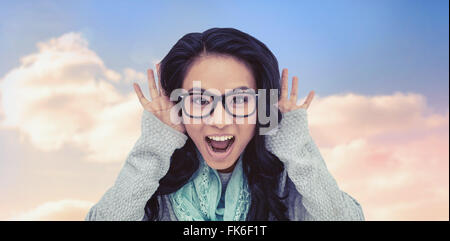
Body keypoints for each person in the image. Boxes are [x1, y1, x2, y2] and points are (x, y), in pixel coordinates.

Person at [85, 27, 364, 221]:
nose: (219, 120)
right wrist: (154, 145)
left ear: (262, 106)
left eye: (240, 100)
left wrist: (296, 145)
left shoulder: (285, 181)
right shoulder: (151, 181)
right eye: (199, 100)